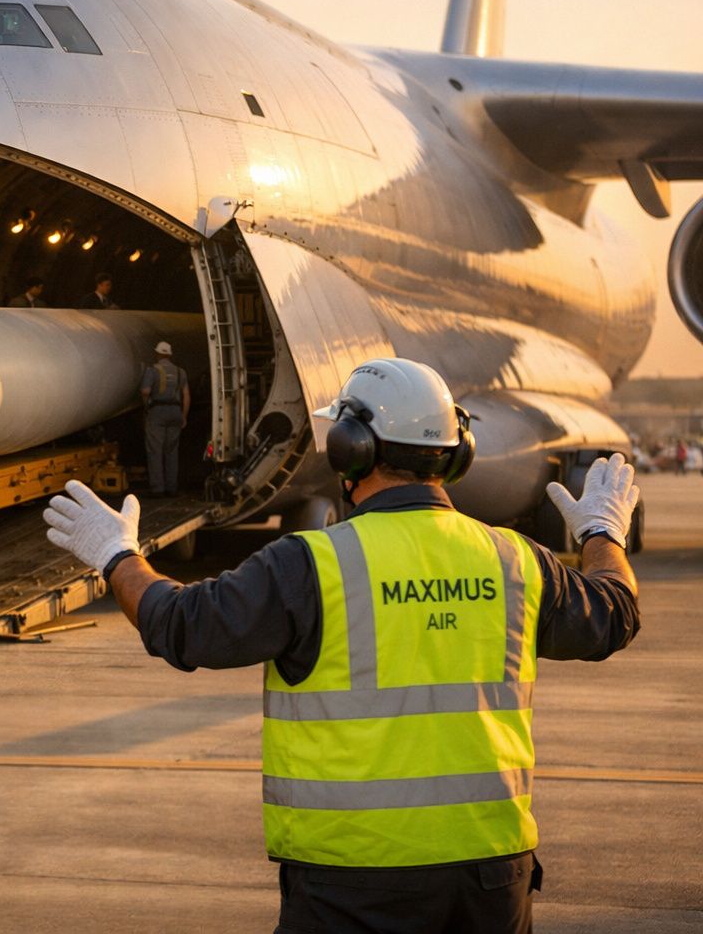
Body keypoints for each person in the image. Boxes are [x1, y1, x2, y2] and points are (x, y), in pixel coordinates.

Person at [44, 357, 641, 934]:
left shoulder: (310, 565)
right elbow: (613, 613)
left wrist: (116, 555)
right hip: (489, 881)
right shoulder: (515, 560)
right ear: (457, 454)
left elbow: (181, 626)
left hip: (354, 885)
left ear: (351, 449)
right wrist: (600, 531)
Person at [140, 341, 190, 496]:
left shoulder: (152, 370)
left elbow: (145, 391)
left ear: (158, 354)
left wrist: (146, 405)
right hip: (175, 412)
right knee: (171, 451)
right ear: (170, 354)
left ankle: (157, 489)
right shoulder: (181, 372)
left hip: (157, 412)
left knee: (155, 450)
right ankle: (171, 488)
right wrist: (184, 416)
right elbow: (186, 396)